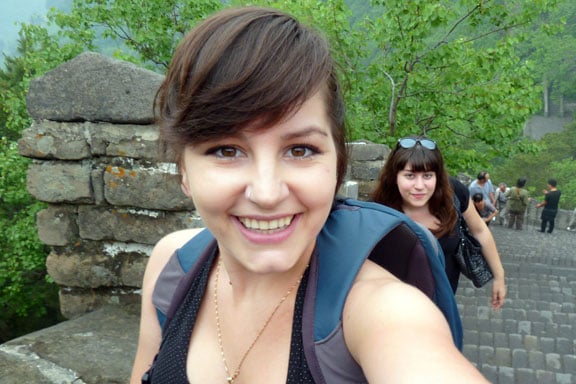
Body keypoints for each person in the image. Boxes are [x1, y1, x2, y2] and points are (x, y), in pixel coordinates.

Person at [130, 7, 488, 384]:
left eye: (300, 150)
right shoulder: (173, 266)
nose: (267, 194)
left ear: (337, 164)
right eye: (225, 150)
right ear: (183, 171)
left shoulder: (384, 310)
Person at [371, 136, 506, 304]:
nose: (419, 185)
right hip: (395, 307)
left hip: (443, 302)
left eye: (427, 175)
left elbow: (479, 229)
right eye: (410, 175)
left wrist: (499, 276)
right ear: (395, 176)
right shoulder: (378, 211)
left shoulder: (453, 194)